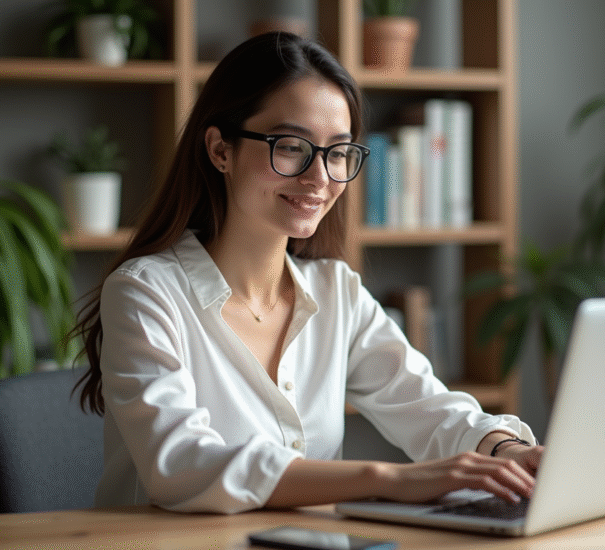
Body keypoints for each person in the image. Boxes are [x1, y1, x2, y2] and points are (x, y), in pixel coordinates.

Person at [71, 31, 543, 514]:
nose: (319, 178)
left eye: (337, 152)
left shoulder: (336, 292)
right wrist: (385, 478)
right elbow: (181, 463)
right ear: (220, 150)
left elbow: (429, 407)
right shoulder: (146, 293)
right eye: (292, 146)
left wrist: (507, 451)